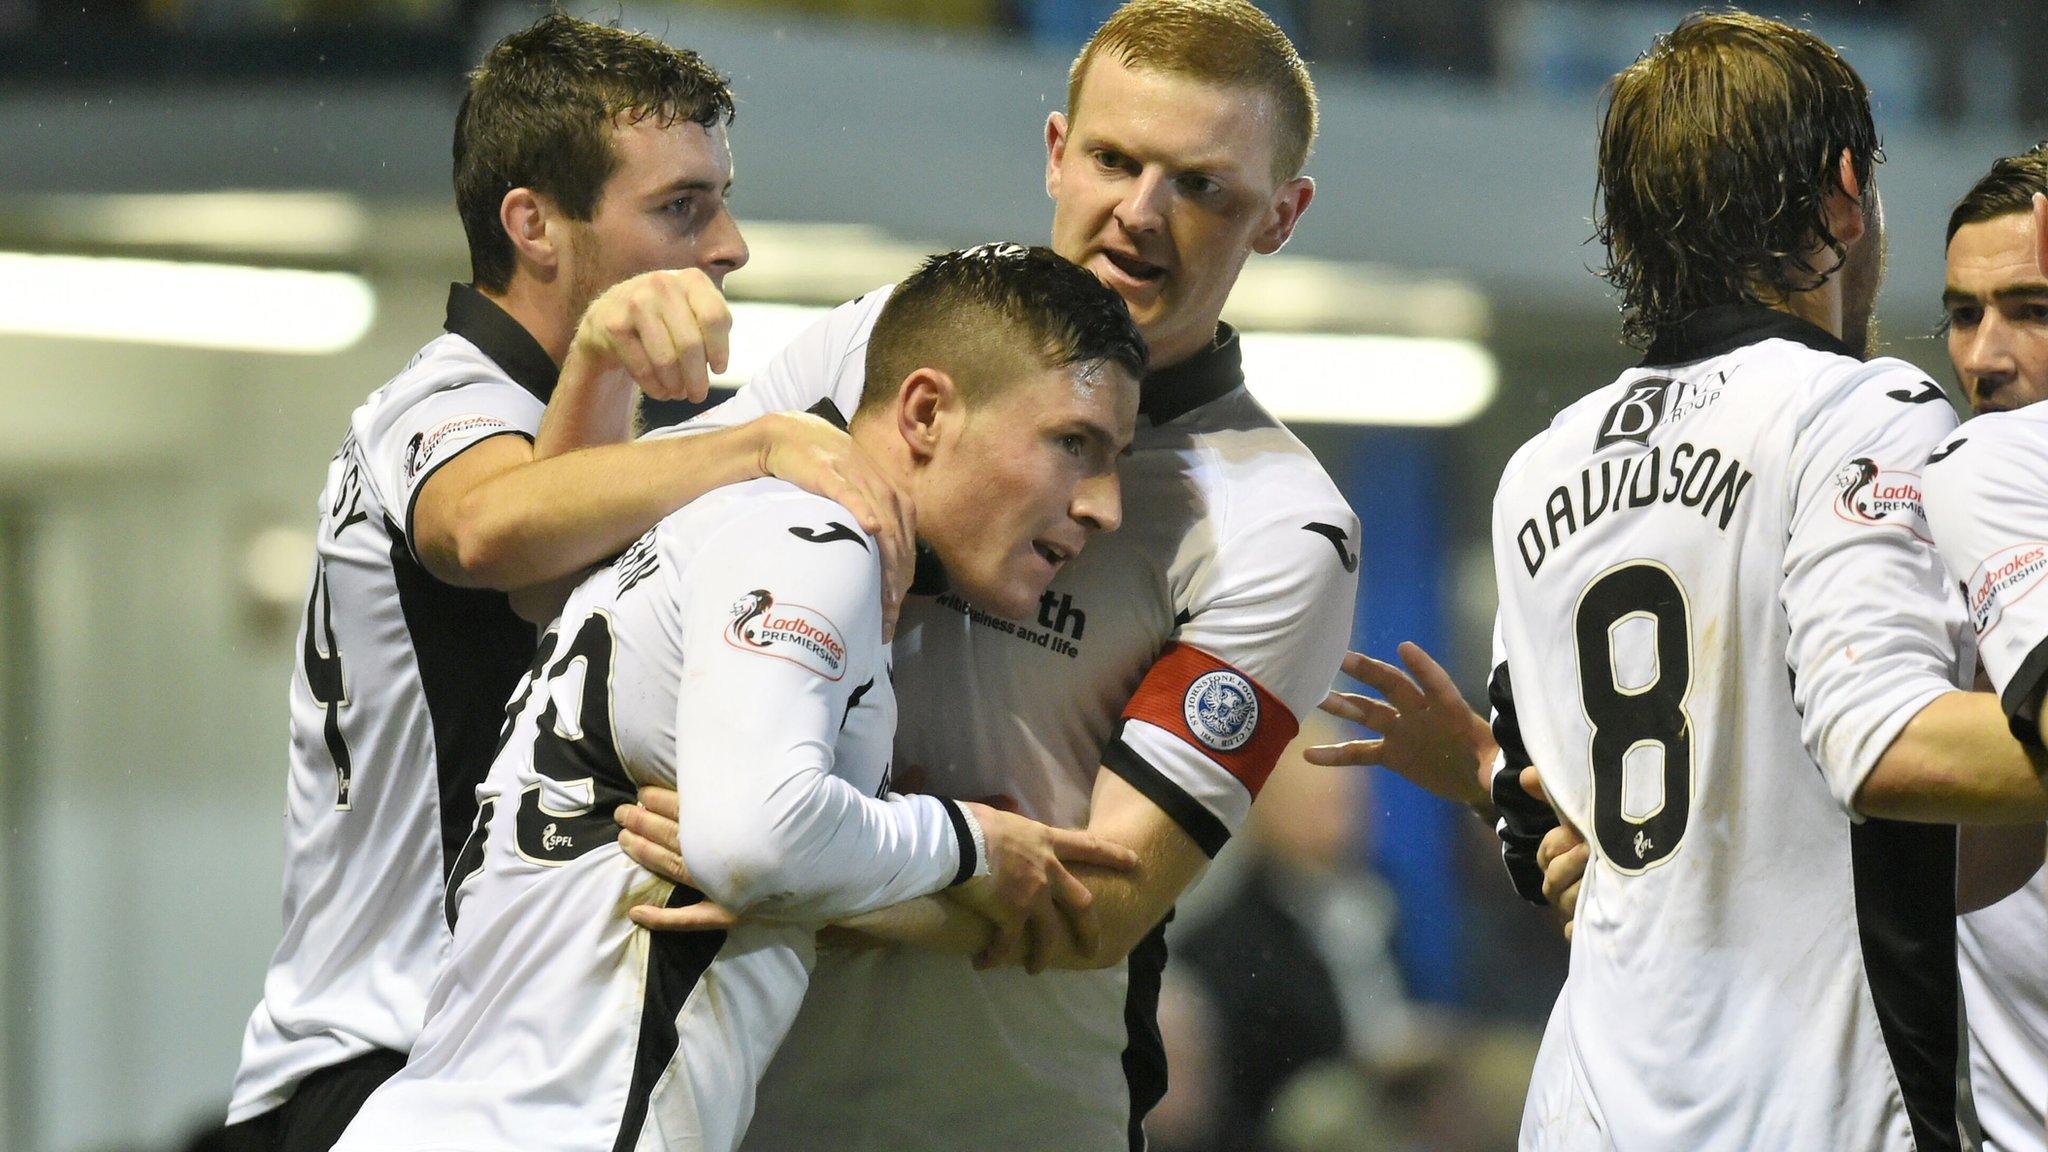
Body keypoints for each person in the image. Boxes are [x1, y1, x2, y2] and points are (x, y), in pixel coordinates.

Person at [542, 2, 1359, 1146]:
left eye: (1200, 186)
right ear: (1055, 153)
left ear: (1279, 215)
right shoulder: (888, 342)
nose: (1138, 213)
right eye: (1115, 160)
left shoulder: (1275, 524)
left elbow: (1099, 906)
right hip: (727, 1101)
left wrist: (790, 861)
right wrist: (604, 364)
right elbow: (567, 556)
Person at [223, 15, 936, 1150]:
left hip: (509, 1069)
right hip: (386, 1061)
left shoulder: (628, 457)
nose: (730, 244)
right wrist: (750, 446)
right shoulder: (440, 394)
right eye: (681, 207)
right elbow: (489, 533)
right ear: (533, 226)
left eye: (721, 198)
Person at [1339, 12, 2047, 1150]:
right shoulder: (1863, 410)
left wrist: (1501, 788)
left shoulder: (1540, 465)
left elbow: (1545, 831)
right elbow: (1881, 743)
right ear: (1843, 195)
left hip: (1589, 1110)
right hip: (1807, 1106)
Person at [330, 244, 1150, 1152]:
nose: (1104, 505)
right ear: (924, 411)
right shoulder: (815, 539)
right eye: (1075, 444)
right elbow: (758, 837)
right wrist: (972, 846)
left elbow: (750, 837)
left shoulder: (714, 512)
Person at [1920, 145, 2048, 1152]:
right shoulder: (1913, 527)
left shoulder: (1980, 466)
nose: (1982, 359)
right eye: (1964, 314)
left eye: (2031, 310)